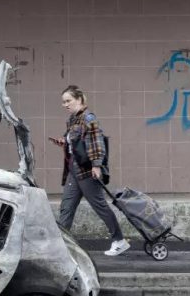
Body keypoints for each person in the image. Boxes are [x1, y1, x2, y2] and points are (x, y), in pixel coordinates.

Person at [49, 85, 129, 257]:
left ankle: (119, 241)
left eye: (68, 101)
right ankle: (60, 244)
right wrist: (63, 142)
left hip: (86, 171)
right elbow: (76, 142)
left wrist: (96, 165)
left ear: (79, 99)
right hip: (73, 170)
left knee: (100, 206)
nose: (65, 104)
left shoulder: (89, 118)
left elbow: (96, 141)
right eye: (63, 102)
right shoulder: (73, 120)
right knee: (67, 207)